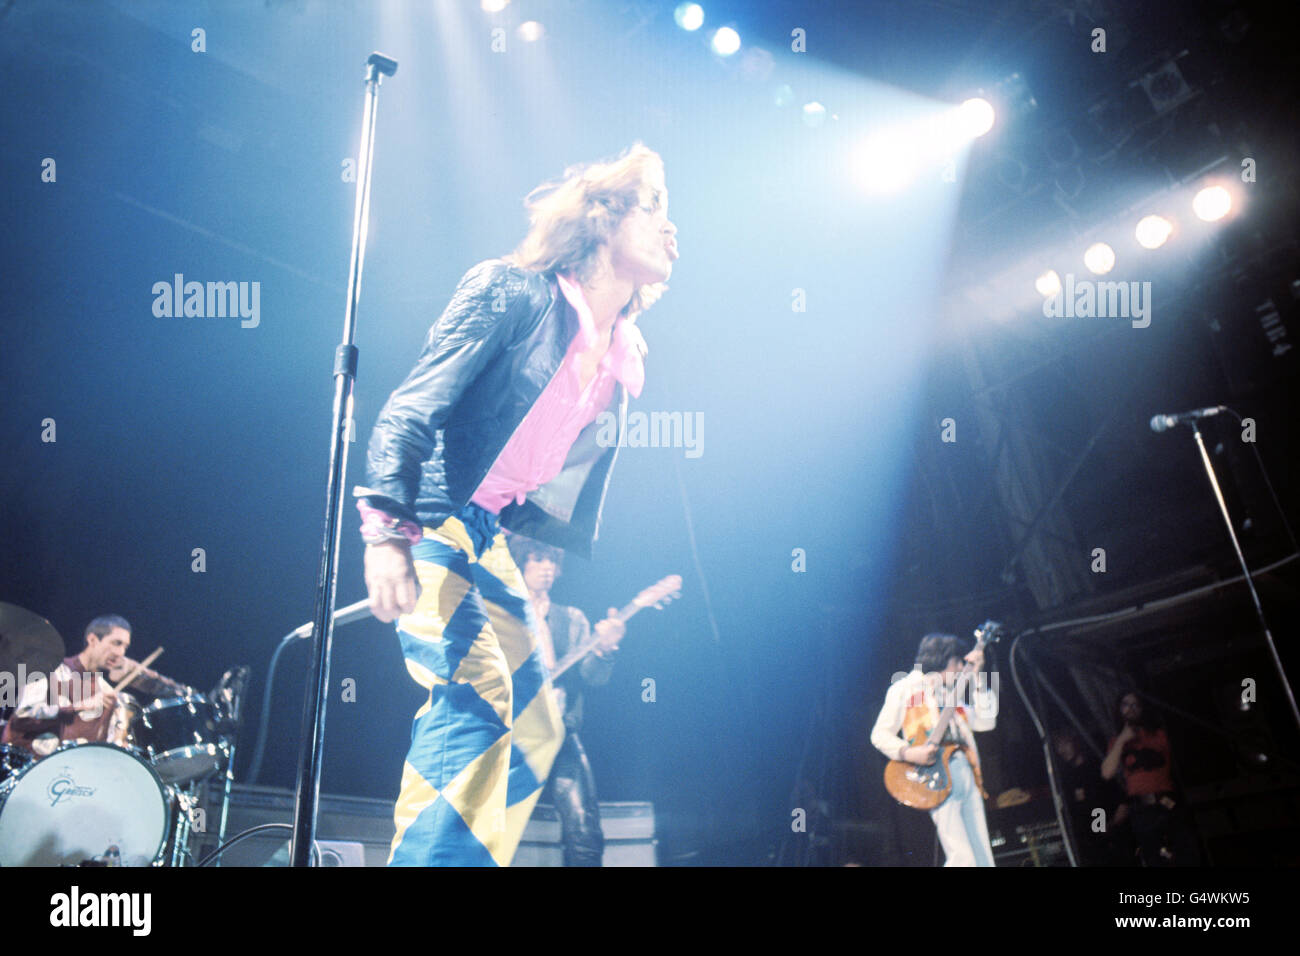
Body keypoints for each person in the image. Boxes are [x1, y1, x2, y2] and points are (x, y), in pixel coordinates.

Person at [358, 144, 678, 867]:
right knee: (476, 693)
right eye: (654, 204)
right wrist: (386, 530)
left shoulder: (616, 356)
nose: (672, 230)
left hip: (487, 536)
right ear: (601, 218)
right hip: (433, 520)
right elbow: (411, 408)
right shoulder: (514, 292)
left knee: (535, 726)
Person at [507, 533, 624, 866]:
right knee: (490, 825)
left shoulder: (572, 618)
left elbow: (593, 677)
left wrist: (605, 649)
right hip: (511, 736)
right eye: (537, 558)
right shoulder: (502, 615)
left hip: (560, 733)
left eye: (553, 561)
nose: (547, 568)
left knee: (585, 830)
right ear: (521, 561)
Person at [871, 633, 998, 867]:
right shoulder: (904, 688)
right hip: (937, 774)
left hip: (967, 770)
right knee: (963, 858)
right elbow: (879, 734)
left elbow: (986, 722)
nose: (961, 667)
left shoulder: (953, 694)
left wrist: (978, 677)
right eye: (957, 662)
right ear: (942, 659)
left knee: (983, 858)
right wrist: (909, 753)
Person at [2, 615, 129, 756]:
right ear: (92, 639)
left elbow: (102, 748)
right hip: (27, 766)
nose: (121, 653)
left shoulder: (107, 692)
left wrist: (119, 743)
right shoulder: (50, 671)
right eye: (116, 643)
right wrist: (76, 708)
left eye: (125, 646)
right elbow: (22, 718)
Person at [1100, 691, 1200, 865]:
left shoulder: (1159, 734)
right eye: (1125, 704)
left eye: (1135, 704)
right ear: (1119, 709)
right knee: (1154, 857)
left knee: (1185, 853)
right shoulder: (1116, 741)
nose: (1130, 709)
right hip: (1142, 809)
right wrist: (1122, 740)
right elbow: (1107, 773)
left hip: (1167, 801)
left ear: (1142, 708)